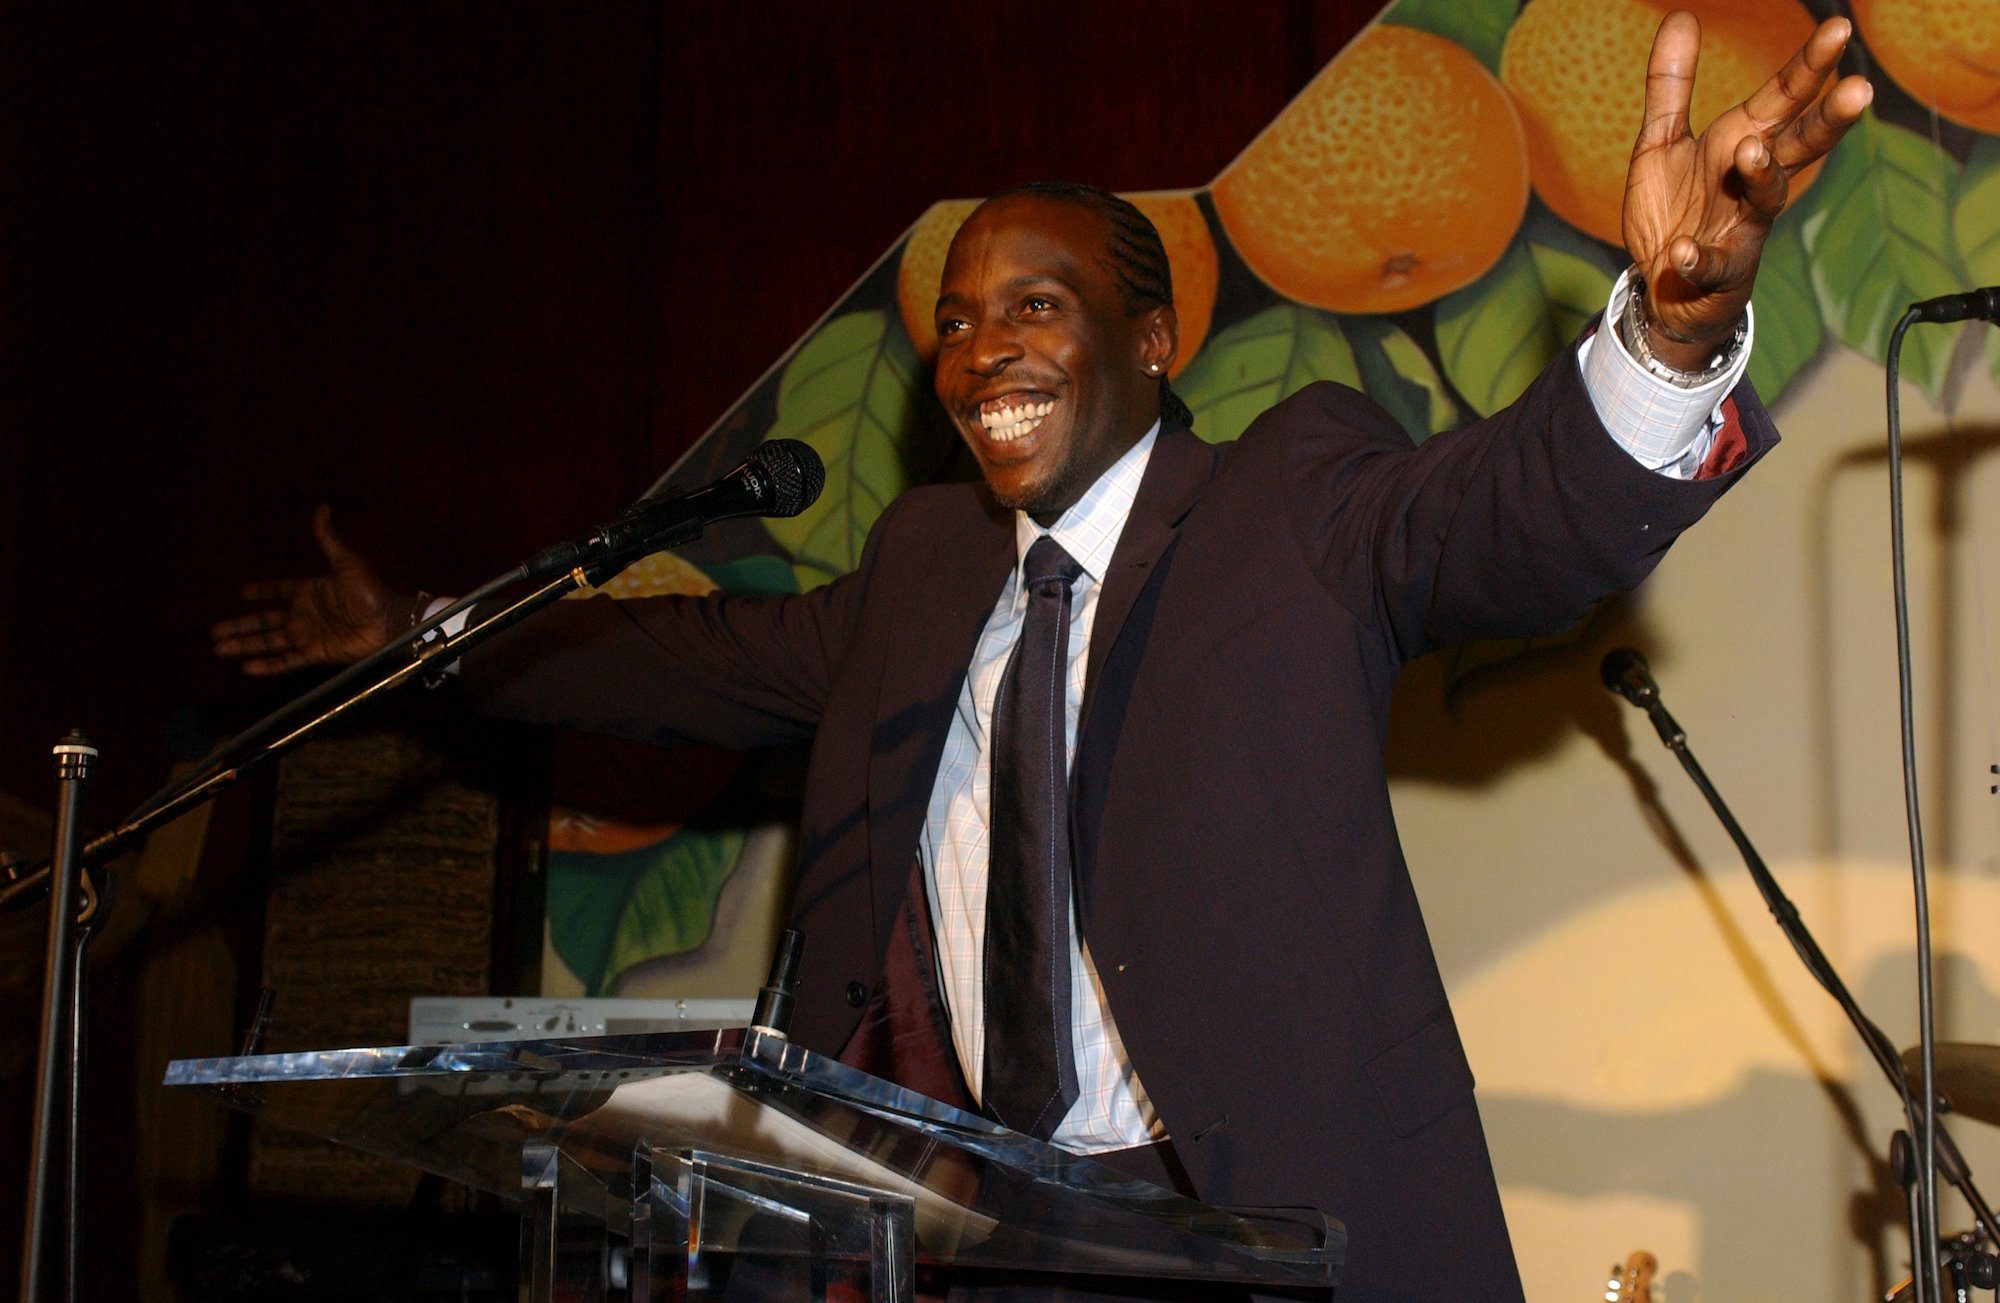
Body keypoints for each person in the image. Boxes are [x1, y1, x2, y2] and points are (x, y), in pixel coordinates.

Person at [214, 15, 1872, 1300]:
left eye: (1035, 308)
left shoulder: (1288, 496)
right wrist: (424, 641)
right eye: (954, 318)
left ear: (1152, 340)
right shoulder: (924, 572)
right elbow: (675, 662)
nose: (980, 350)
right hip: (961, 1236)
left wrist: (1665, 331)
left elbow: (1513, 520)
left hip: (1252, 1232)